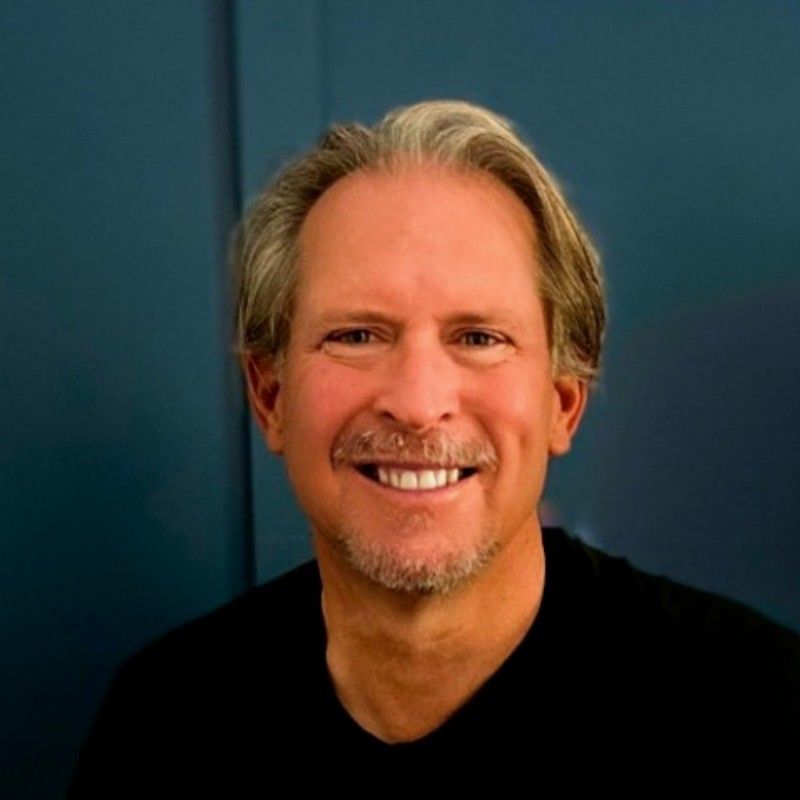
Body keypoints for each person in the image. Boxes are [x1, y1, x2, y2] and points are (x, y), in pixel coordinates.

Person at [69, 100, 798, 794]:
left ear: (562, 402)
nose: (418, 405)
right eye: (356, 335)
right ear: (270, 397)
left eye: (479, 338)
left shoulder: (757, 715)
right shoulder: (162, 722)